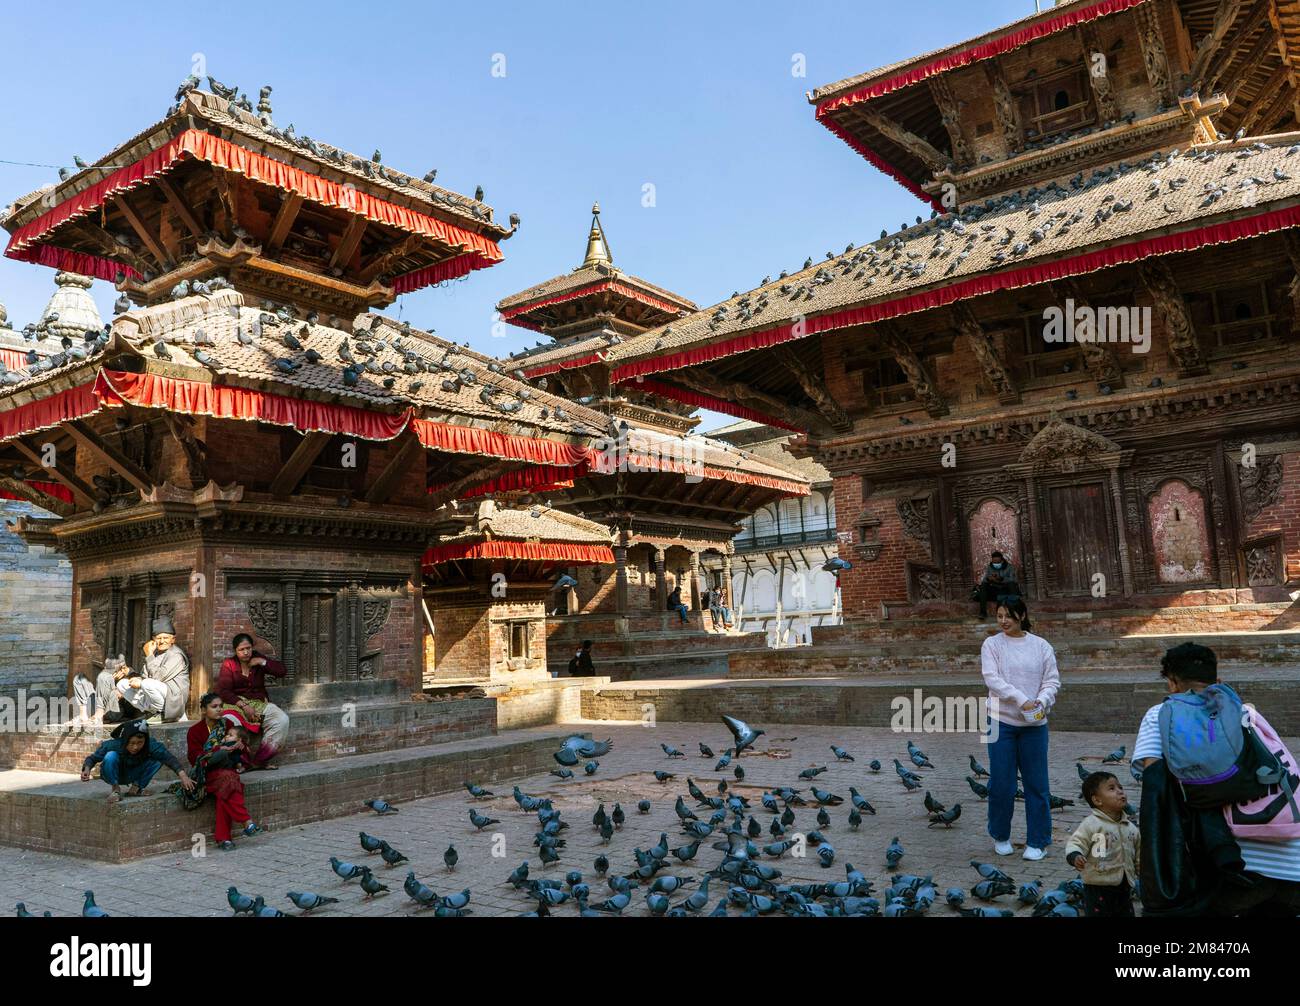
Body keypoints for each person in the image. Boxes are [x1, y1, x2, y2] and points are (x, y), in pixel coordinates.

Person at [1132, 642, 1300, 915]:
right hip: (1291, 861)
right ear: (1218, 682)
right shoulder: (1247, 713)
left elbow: (1156, 788)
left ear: (1172, 684)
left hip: (1235, 865)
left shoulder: (1161, 715)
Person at [979, 595, 1059, 861]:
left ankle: (1038, 840)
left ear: (1022, 616)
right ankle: (1000, 834)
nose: (1003, 621)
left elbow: (1052, 681)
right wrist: (1022, 700)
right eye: (999, 616)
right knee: (1002, 783)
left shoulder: (1041, 646)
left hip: (1035, 724)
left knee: (1037, 784)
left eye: (1008, 616)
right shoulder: (992, 645)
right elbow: (992, 679)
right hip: (1000, 721)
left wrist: (1041, 700)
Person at [183, 696, 262, 850]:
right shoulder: (195, 731)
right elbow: (195, 759)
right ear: (204, 710)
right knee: (229, 780)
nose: (219, 709)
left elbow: (244, 746)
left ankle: (224, 839)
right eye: (214, 706)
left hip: (227, 771)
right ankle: (246, 822)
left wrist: (240, 745)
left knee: (225, 787)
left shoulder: (228, 724)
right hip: (206, 773)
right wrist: (218, 750)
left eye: (221, 706)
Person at [1066, 771, 1140, 916]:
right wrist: (1075, 856)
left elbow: (1138, 854)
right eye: (1112, 788)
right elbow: (1076, 842)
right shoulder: (1091, 824)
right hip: (1097, 887)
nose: (1119, 791)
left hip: (1124, 886)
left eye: (1120, 787)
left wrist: (1143, 872)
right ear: (1097, 800)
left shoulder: (1131, 828)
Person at [216, 633, 289, 769]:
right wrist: (244, 706)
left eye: (248, 648)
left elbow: (282, 671)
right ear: (235, 651)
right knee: (231, 724)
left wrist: (262, 662)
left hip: (259, 704)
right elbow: (224, 691)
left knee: (282, 720)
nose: (245, 652)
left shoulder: (258, 659)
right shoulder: (229, 664)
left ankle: (259, 761)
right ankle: (240, 762)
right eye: (241, 650)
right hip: (236, 704)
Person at [80, 718, 195, 804]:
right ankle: (115, 789)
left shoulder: (151, 745)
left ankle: (136, 788)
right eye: (132, 743)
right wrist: (86, 769)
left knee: (158, 759)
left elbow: (168, 758)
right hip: (114, 774)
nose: (135, 747)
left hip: (134, 773)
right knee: (110, 756)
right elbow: (93, 758)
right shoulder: (113, 745)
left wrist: (183, 776)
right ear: (125, 741)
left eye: (140, 743)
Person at [101, 617, 191, 724]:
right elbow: (145, 677)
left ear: (173, 639)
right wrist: (130, 673)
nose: (162, 641)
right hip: (157, 694)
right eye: (159, 638)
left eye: (166, 638)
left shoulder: (176, 655)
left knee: (147, 683)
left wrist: (148, 655)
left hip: (173, 699)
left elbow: (158, 678)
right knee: (122, 684)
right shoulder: (155, 654)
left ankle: (166, 715)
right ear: (153, 639)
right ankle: (153, 712)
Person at [976, 550, 1020, 620]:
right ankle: (983, 612)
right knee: (983, 585)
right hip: (994, 590)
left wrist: (1001, 579)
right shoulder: (990, 567)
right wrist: (989, 579)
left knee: (1012, 585)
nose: (995, 564)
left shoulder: (1009, 567)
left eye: (997, 562)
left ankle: (1014, 611)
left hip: (1005, 590)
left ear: (1002, 561)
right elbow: (984, 580)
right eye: (994, 562)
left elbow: (1013, 580)